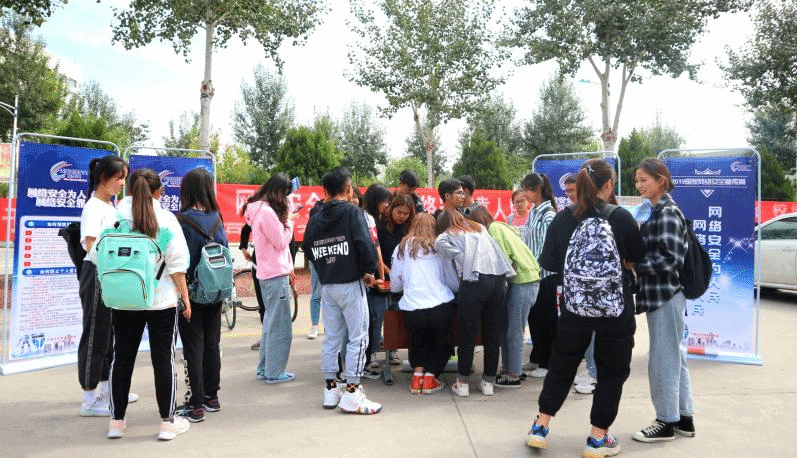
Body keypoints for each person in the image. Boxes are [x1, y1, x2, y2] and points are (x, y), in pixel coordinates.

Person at [526, 159, 644, 457]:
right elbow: (637, 257)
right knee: (612, 371)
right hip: (615, 309)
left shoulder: (563, 218)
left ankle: (540, 426)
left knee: (562, 363)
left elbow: (549, 262)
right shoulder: (621, 217)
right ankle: (597, 438)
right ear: (608, 184)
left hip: (574, 307)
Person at [90, 168, 192, 440]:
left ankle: (116, 422)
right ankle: (167, 423)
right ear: (159, 191)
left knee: (122, 358)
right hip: (161, 301)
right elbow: (177, 264)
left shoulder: (114, 217)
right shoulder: (165, 219)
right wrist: (185, 297)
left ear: (129, 190)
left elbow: (97, 255)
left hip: (124, 300)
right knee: (163, 360)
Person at [302, 167, 382, 415]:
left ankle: (330, 389)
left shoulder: (315, 217)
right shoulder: (352, 212)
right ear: (348, 189)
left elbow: (307, 247)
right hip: (350, 283)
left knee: (332, 337)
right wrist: (368, 271)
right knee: (358, 337)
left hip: (328, 285)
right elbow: (366, 245)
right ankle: (353, 393)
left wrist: (326, 268)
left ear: (325, 190)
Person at [631, 157, 696, 443]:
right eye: (637, 180)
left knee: (663, 360)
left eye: (644, 180)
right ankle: (684, 418)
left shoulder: (667, 212)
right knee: (674, 357)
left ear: (662, 181)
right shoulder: (659, 210)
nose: (639, 185)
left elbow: (671, 259)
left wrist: (637, 266)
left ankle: (665, 421)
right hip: (664, 296)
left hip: (665, 295)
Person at [77, 155, 135, 417]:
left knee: (109, 334)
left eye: (124, 178)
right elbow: (91, 244)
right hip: (98, 273)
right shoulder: (94, 207)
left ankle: (109, 388)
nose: (122, 183)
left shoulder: (111, 207)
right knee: (95, 335)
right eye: (119, 178)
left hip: (111, 275)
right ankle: (89, 398)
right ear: (103, 178)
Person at [435, 210, 515, 397]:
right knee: (492, 335)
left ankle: (462, 383)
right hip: (498, 281)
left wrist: (462, 259)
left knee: (468, 334)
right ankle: (488, 383)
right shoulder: (479, 227)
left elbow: (439, 245)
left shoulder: (447, 234)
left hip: (474, 283)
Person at [174, 168, 227, 423]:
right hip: (215, 290)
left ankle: (195, 405)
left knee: (193, 346)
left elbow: (177, 259)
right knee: (212, 344)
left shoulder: (181, 221)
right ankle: (211, 397)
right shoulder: (217, 218)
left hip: (191, 293)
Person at [466, 207, 541, 389]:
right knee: (507, 328)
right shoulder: (501, 226)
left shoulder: (493, 230)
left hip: (522, 281)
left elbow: (503, 260)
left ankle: (513, 374)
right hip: (527, 280)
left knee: (514, 330)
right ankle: (509, 369)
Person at [390, 213, 457, 395]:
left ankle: (417, 376)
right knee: (441, 342)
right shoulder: (440, 247)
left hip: (412, 306)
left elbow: (395, 282)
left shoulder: (402, 247)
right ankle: (430, 378)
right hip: (439, 303)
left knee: (417, 341)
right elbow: (451, 279)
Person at [245, 173, 296, 384]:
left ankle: (265, 368)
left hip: (267, 274)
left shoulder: (257, 209)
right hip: (275, 274)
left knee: (270, 324)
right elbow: (281, 242)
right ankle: (274, 372)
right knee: (280, 327)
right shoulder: (267, 212)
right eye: (285, 194)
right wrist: (289, 222)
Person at [521, 173, 558, 378]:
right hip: (532, 274)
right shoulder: (534, 212)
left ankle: (548, 362)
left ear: (537, 189)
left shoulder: (548, 214)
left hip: (544, 274)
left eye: (527, 189)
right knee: (534, 317)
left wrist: (533, 266)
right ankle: (536, 357)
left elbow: (546, 247)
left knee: (546, 318)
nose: (525, 194)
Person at [362, 184, 393, 376]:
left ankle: (371, 355)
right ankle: (371, 356)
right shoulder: (368, 218)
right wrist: (382, 275)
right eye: (385, 202)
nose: (387, 205)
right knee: (374, 318)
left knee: (375, 318)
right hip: (371, 277)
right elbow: (376, 249)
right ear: (376, 201)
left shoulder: (371, 218)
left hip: (370, 275)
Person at [238, 222, 266, 350]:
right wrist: (244, 248)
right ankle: (266, 337)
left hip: (276, 271)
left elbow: (289, 241)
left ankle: (274, 338)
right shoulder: (258, 214)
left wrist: (289, 266)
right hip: (259, 266)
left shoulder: (280, 214)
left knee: (276, 308)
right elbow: (246, 228)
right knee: (263, 306)